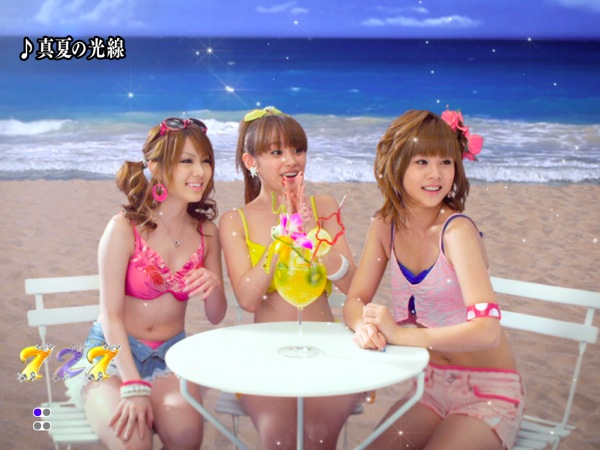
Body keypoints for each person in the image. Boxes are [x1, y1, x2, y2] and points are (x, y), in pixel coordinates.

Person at [343, 110, 524, 450]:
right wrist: (362, 326)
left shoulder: (457, 232)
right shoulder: (384, 226)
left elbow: (487, 330)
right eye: (422, 162)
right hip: (428, 388)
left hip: (486, 392)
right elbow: (355, 301)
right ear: (396, 165)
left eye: (445, 162)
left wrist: (399, 335)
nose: (435, 174)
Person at [219, 106, 360, 449]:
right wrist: (281, 237)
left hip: (327, 348)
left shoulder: (323, 206)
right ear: (251, 161)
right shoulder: (234, 220)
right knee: (279, 437)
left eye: (298, 150)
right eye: (276, 153)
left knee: (319, 435)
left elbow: (354, 286)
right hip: (267, 352)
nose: (291, 160)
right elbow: (247, 298)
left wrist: (314, 235)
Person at [82, 117, 227, 449]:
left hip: (170, 356)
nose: (200, 171)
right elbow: (110, 316)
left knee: (186, 437)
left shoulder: (207, 232)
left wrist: (214, 284)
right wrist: (132, 385)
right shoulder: (124, 227)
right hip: (112, 354)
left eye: (205, 161)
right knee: (135, 441)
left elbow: (216, 315)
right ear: (156, 167)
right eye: (187, 161)